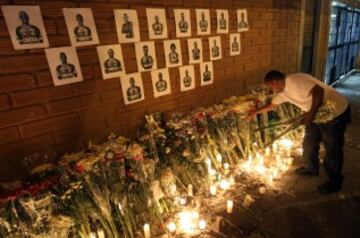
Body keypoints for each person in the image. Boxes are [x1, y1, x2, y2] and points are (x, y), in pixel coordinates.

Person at [246, 70, 351, 194]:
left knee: (332, 147)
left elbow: (318, 91)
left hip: (335, 111)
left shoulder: (294, 80)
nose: (271, 89)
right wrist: (255, 112)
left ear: (276, 81)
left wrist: (310, 114)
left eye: (271, 86)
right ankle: (311, 168)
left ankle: (335, 181)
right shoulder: (283, 92)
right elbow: (272, 105)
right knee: (309, 142)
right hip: (316, 113)